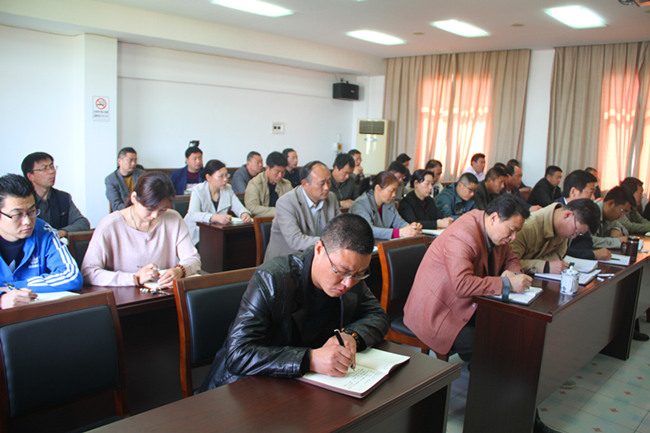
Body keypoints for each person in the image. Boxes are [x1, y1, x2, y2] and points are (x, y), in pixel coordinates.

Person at [403, 194, 561, 433]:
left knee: (514, 341)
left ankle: (525, 421)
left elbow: (512, 258)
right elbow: (462, 285)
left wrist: (512, 273)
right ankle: (491, 421)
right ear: (495, 217)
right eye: (512, 230)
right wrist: (506, 283)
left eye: (517, 231)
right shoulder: (463, 234)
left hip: (469, 305)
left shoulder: (496, 231)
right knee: (490, 353)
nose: (514, 237)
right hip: (440, 312)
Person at [200, 213, 390, 391]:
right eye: (341, 271)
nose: (348, 283)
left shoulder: (352, 275)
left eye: (359, 274)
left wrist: (351, 336)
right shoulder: (273, 279)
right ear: (319, 249)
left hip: (303, 384)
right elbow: (238, 354)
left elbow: (378, 316)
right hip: (246, 386)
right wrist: (310, 359)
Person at [82, 171, 201, 287]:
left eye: (162, 209)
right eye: (150, 209)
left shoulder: (173, 219)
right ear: (134, 198)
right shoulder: (110, 225)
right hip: (125, 295)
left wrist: (180, 270)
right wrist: (134, 278)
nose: (155, 215)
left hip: (165, 292)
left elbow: (193, 259)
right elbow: (88, 272)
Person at [0, 174, 82, 300]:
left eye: (32, 212)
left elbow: (72, 276)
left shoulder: (44, 231)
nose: (27, 221)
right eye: (17, 215)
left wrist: (13, 287)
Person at [264, 161, 340, 262]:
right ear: (305, 184)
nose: (326, 188)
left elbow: (340, 229)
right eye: (321, 183)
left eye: (329, 182)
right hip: (286, 261)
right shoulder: (286, 202)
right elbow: (295, 240)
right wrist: (330, 241)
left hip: (317, 258)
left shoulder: (331, 198)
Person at [510, 199, 600, 274]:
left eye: (579, 234)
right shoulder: (527, 226)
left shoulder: (563, 229)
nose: (574, 236)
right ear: (567, 215)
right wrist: (546, 266)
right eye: (576, 231)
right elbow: (511, 264)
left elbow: (558, 256)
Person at [21, 151, 90, 239]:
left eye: (52, 167)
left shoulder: (63, 198)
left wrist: (62, 232)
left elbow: (83, 223)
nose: (51, 172)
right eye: (44, 168)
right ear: (30, 176)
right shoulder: (22, 201)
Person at [184, 159, 252, 246]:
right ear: (208, 177)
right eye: (221, 176)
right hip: (196, 236)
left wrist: (244, 214)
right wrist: (214, 217)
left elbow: (238, 207)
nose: (225, 179)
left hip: (216, 235)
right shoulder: (198, 190)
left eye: (226, 175)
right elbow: (193, 214)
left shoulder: (228, 189)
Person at [555, 170, 611, 261]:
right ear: (574, 192)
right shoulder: (555, 212)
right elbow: (556, 250)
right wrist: (591, 254)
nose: (593, 198)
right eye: (590, 192)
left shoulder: (583, 213)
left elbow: (587, 242)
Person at [350, 171, 421, 240]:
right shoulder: (360, 204)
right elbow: (368, 230)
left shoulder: (389, 202)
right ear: (377, 188)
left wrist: (412, 228)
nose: (394, 195)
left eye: (395, 191)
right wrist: (399, 232)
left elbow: (398, 222)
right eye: (391, 191)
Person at [244, 151, 293, 217]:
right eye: (277, 171)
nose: (280, 175)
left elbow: (293, 204)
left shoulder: (286, 184)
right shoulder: (255, 183)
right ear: (267, 168)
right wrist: (280, 211)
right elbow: (252, 208)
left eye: (283, 172)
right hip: (263, 221)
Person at [105, 147, 145, 211]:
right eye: (130, 160)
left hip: (142, 211)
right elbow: (116, 205)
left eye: (135, 160)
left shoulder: (142, 175)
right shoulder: (111, 180)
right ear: (119, 161)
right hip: (124, 212)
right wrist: (133, 211)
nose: (133, 163)